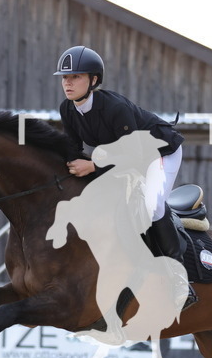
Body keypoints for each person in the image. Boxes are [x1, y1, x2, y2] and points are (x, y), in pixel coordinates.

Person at [53, 45, 186, 263]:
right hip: (126, 156)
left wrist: (94, 167)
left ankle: (176, 269)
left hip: (159, 152)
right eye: (64, 77)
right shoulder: (67, 109)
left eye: (75, 76)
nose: (67, 83)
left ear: (94, 80)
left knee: (152, 206)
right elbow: (72, 148)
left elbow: (136, 156)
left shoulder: (115, 108)